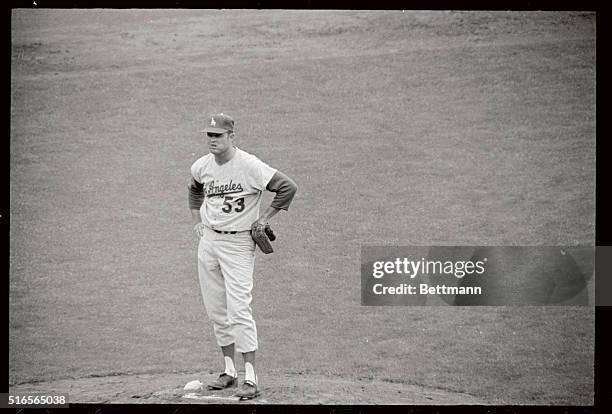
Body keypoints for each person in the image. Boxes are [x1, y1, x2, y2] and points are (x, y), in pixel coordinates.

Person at [187, 113, 298, 400]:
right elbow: (194, 189)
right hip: (209, 242)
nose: (213, 140)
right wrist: (196, 220)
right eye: (209, 135)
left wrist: (264, 218)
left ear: (231, 136)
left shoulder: (249, 165)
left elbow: (287, 187)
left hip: (237, 245)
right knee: (216, 310)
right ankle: (228, 372)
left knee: (239, 309)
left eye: (218, 135)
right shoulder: (202, 166)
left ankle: (250, 376)